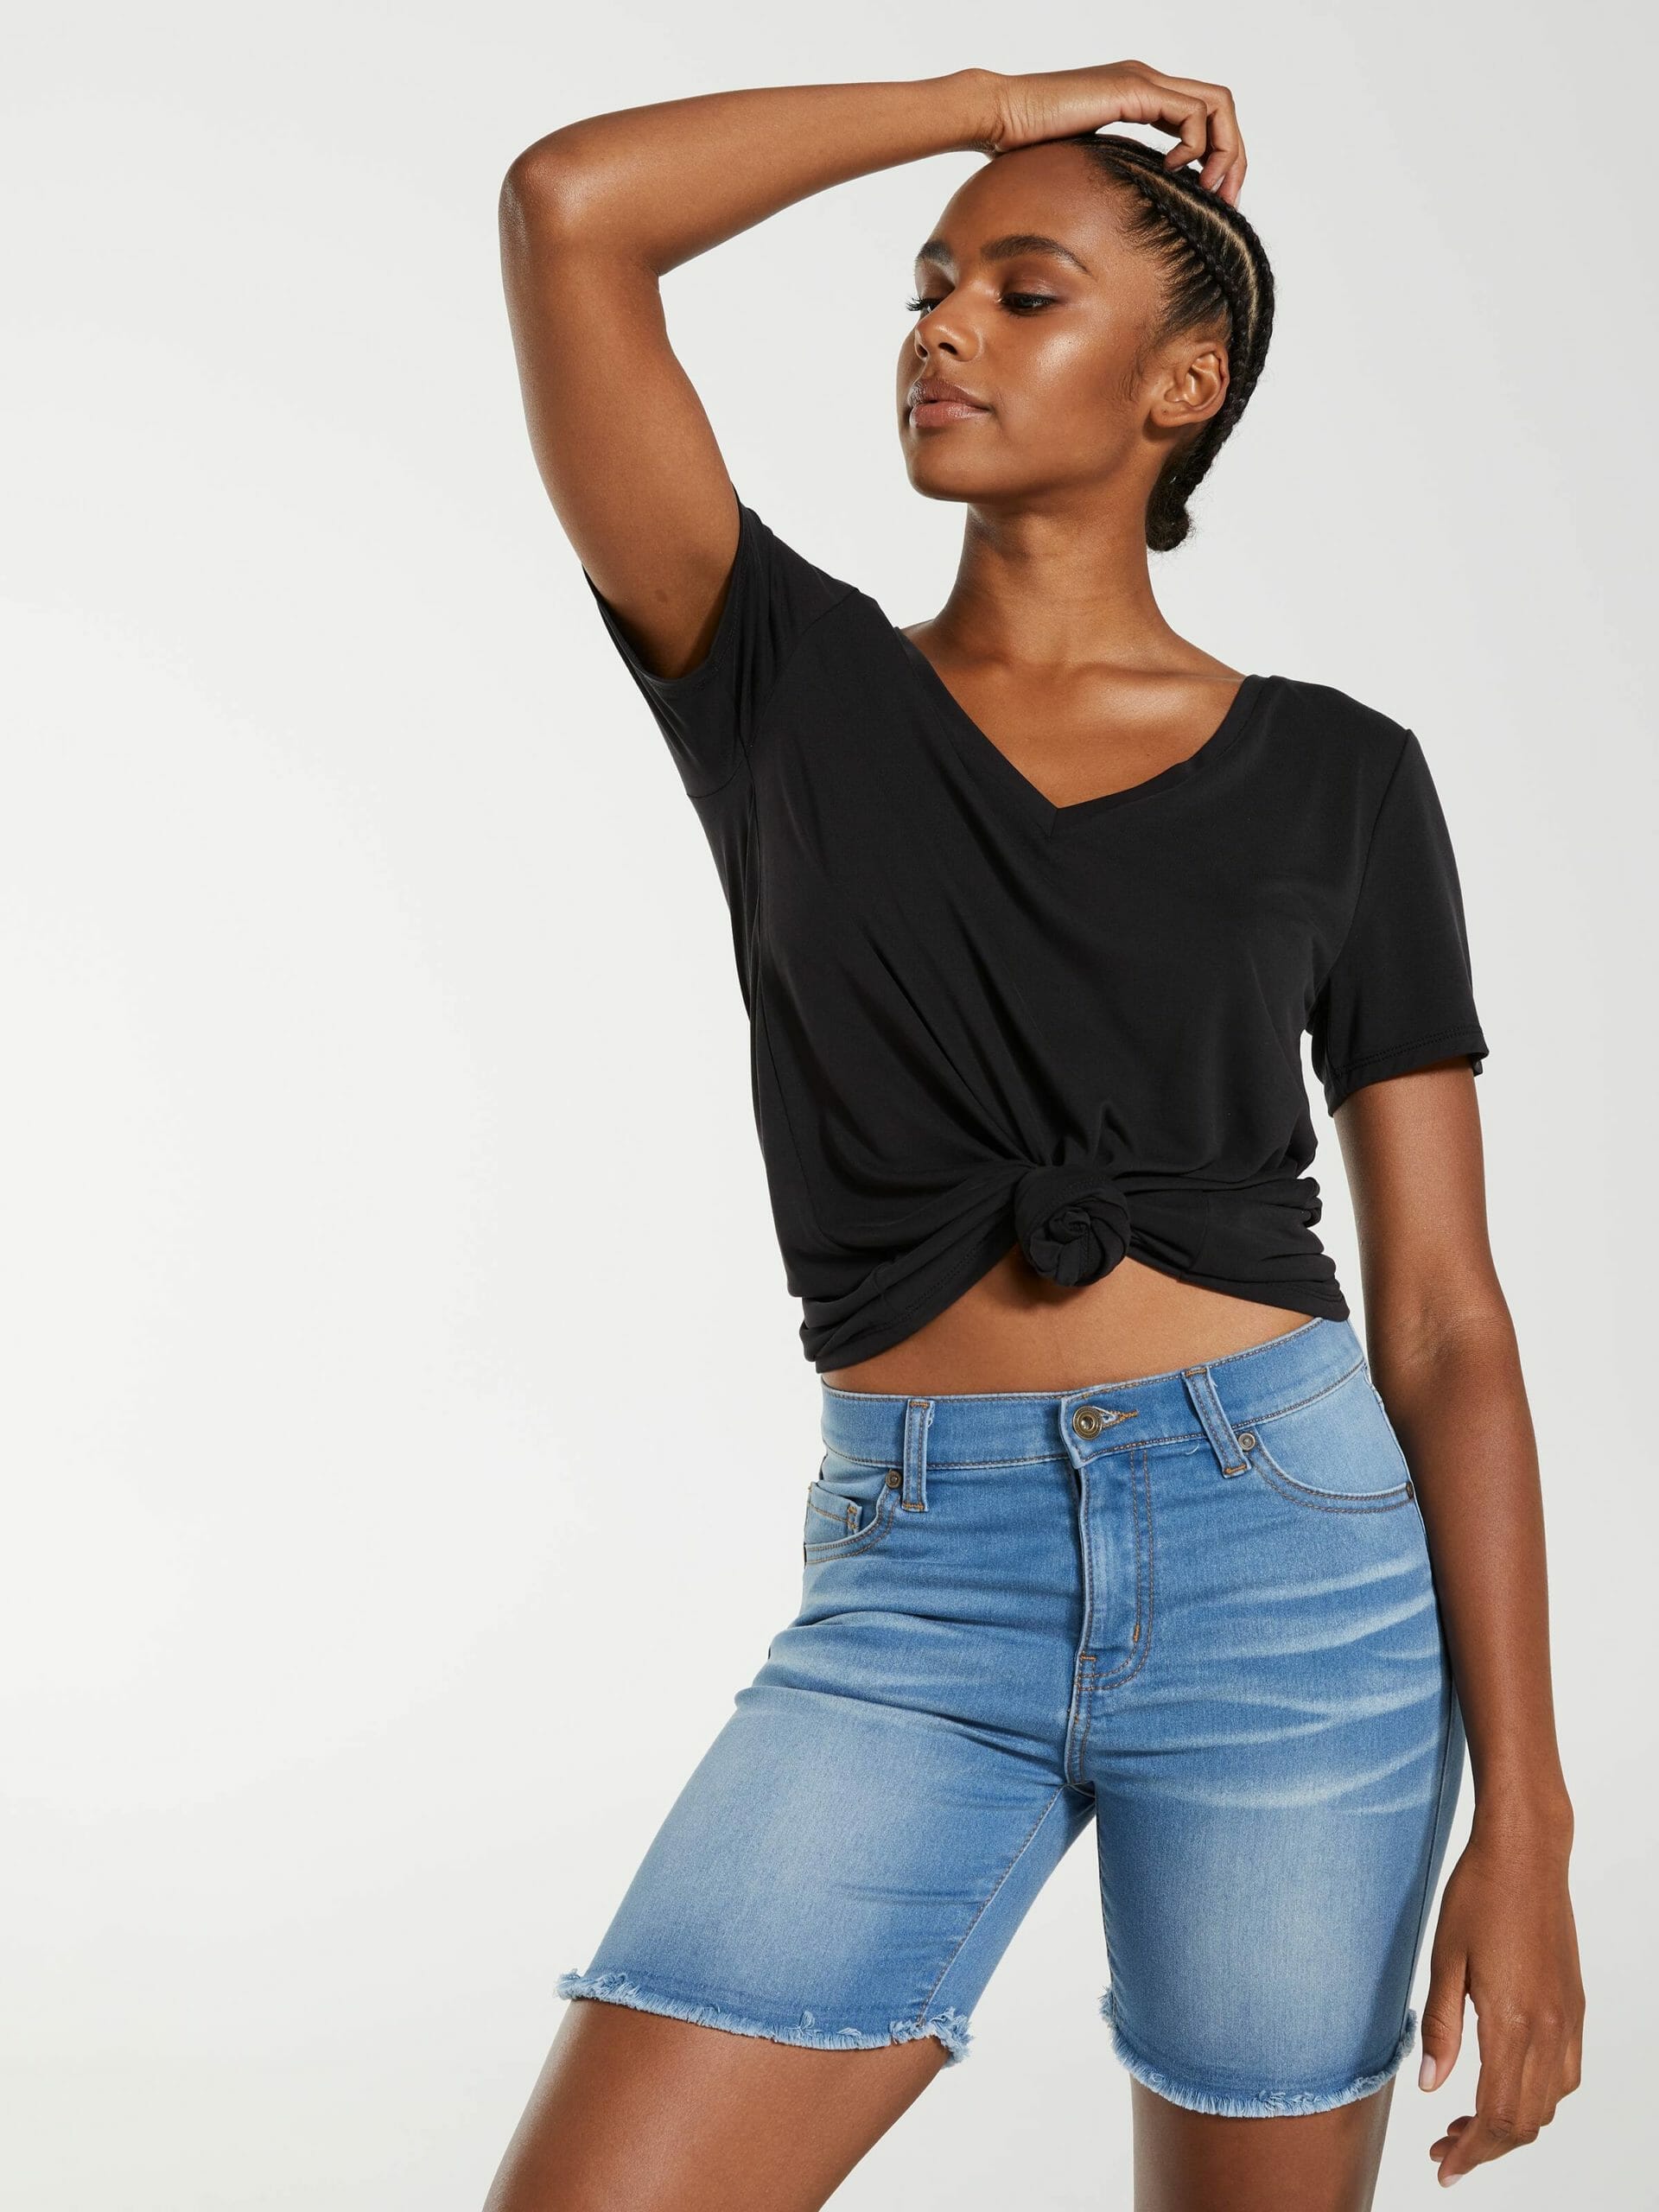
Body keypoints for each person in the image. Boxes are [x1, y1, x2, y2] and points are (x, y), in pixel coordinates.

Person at [486, 62, 1583, 2210]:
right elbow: (570, 207)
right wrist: (990, 104)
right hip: (920, 1586)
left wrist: (1528, 1821)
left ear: (1184, 381)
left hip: (1295, 1574)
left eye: (1023, 289)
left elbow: (1448, 1318)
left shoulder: (1343, 777)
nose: (942, 326)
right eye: (928, 286)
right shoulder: (780, 677)